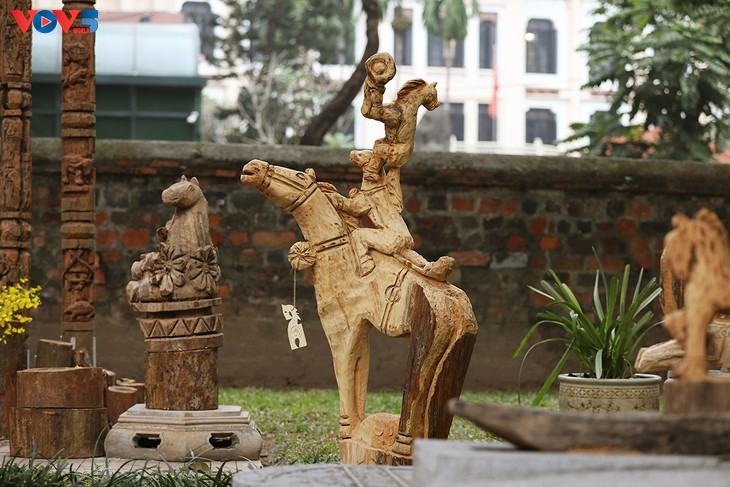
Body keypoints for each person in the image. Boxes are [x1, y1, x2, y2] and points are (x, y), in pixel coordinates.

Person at [325, 150, 453, 280]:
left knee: (358, 235)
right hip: (403, 234)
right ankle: (427, 266)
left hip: (390, 237)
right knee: (406, 252)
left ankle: (365, 264)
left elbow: (352, 208)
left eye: (361, 155)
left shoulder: (369, 195)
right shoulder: (387, 191)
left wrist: (331, 197)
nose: (356, 155)